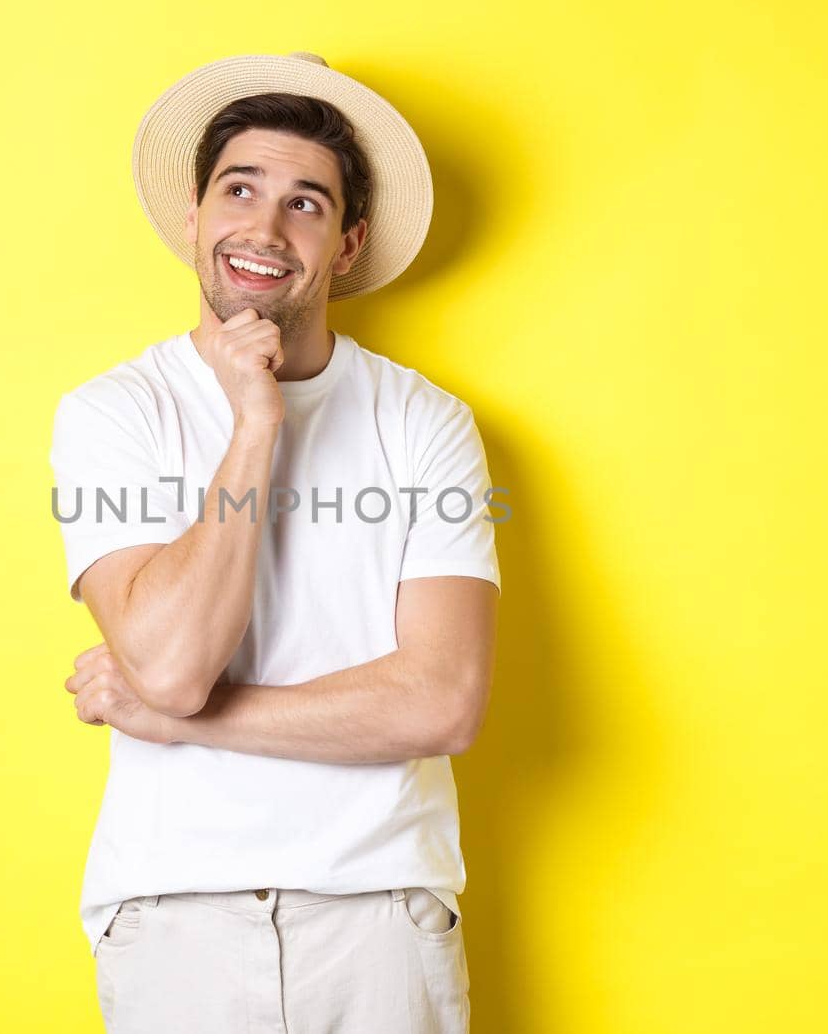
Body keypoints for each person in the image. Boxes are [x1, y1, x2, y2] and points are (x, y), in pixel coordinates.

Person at [49, 51, 501, 1033]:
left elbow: (442, 698)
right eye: (239, 189)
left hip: (378, 910)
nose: (263, 226)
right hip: (174, 913)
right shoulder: (111, 412)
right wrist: (256, 421)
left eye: (306, 202)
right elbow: (168, 664)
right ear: (194, 217)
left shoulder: (425, 422)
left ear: (346, 244)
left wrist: (188, 720)